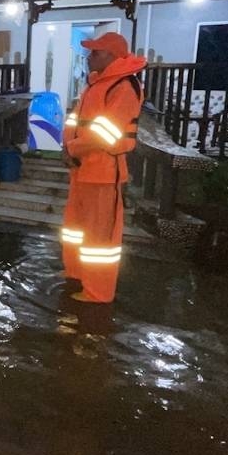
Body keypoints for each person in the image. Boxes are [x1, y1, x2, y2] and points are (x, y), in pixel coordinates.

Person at [60, 32, 146, 304]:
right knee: (75, 231)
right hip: (82, 169)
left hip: (103, 172)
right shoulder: (96, 85)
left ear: (111, 55)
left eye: (95, 53)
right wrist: (68, 148)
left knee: (100, 240)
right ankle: (76, 275)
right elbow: (77, 123)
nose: (89, 57)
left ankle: (98, 293)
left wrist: (72, 148)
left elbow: (105, 134)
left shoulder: (124, 86)